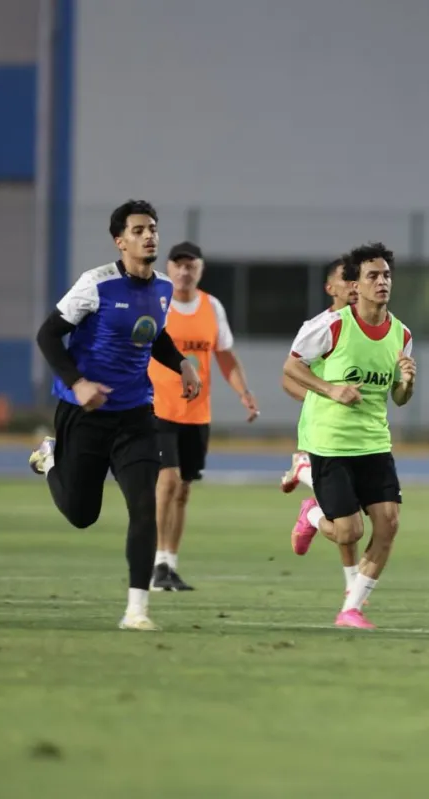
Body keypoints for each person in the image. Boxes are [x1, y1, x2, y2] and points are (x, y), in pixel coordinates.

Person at [30, 199, 201, 631]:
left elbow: (154, 336)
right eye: (138, 230)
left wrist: (181, 363)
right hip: (84, 413)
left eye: (153, 228)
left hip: (136, 415)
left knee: (145, 505)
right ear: (120, 241)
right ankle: (50, 459)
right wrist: (78, 383)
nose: (149, 236)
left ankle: (136, 611)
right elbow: (48, 335)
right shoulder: (96, 284)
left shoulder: (163, 289)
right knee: (81, 514)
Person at [282, 242, 415, 629]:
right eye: (373, 275)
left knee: (389, 524)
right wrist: (331, 389)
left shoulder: (402, 334)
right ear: (355, 285)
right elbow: (291, 367)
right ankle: (312, 513)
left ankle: (351, 609)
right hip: (331, 443)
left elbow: (399, 398)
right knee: (349, 532)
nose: (382, 281)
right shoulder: (332, 326)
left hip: (374, 442)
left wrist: (407, 383)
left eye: (386, 275)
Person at [147, 241, 259, 592]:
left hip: (196, 414)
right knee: (167, 481)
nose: (184, 271)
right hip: (159, 408)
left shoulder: (212, 307)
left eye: (190, 265)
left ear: (200, 269)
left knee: (183, 490)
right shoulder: (157, 303)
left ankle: (170, 564)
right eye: (178, 265)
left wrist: (243, 392)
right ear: (168, 267)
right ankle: (155, 563)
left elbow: (225, 356)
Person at [280, 256, 365, 598]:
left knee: (348, 518)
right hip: (323, 434)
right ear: (331, 288)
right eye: (348, 279)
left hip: (360, 433)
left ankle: (312, 513)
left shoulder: (373, 326)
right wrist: (326, 397)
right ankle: (352, 585)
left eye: (359, 278)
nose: (355, 285)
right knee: (349, 515)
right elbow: (289, 376)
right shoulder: (320, 326)